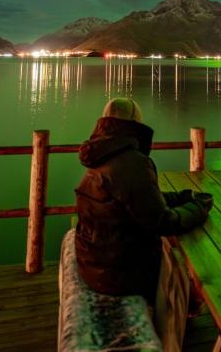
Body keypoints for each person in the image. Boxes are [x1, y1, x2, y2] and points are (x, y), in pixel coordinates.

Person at [75, 97, 213, 352]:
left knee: (167, 255)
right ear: (135, 122)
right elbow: (163, 222)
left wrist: (180, 196)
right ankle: (188, 313)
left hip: (93, 262)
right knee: (173, 259)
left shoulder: (99, 151)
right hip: (118, 276)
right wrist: (200, 207)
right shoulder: (133, 161)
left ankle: (189, 303)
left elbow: (135, 198)